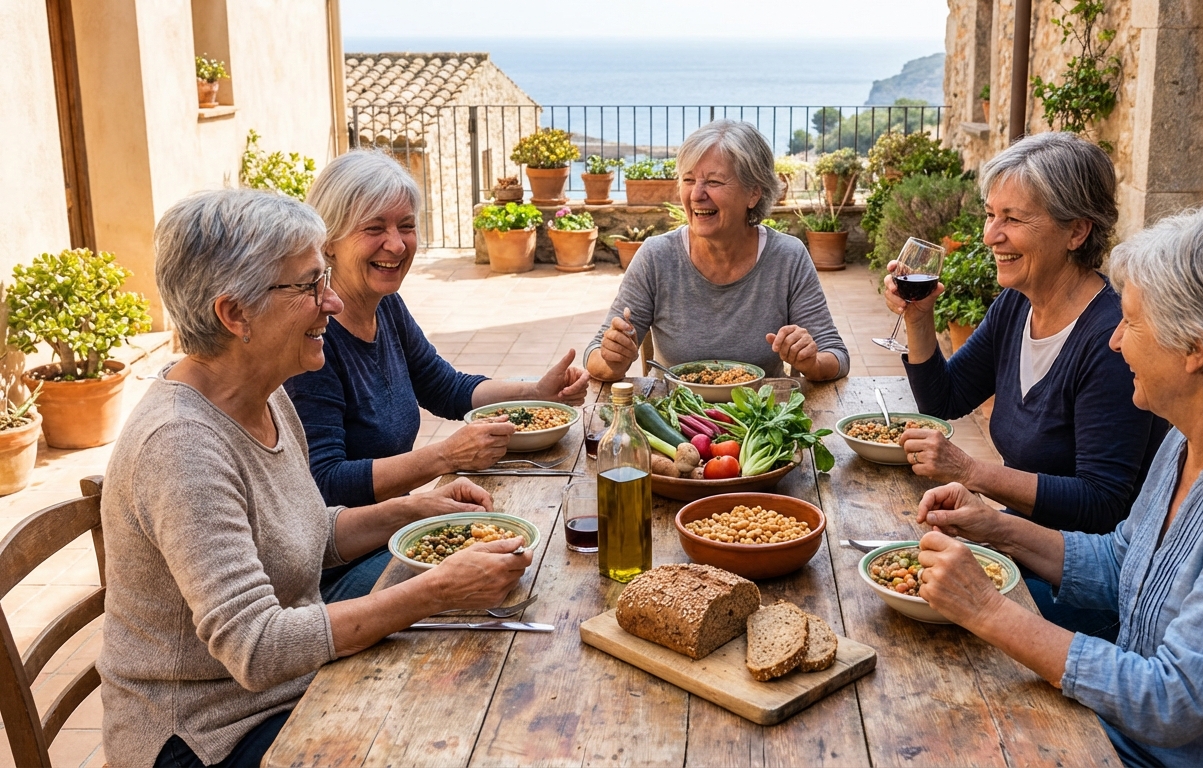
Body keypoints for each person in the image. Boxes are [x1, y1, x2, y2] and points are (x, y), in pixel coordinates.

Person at [913, 204, 1203, 767]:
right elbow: (1122, 561)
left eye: (1130, 322)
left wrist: (986, 609)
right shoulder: (1189, 440)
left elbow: (1171, 701)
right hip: (1132, 735)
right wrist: (995, 526)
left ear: (1196, 349)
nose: (1113, 342)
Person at [98, 190, 533, 768]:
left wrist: (414, 510)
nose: (331, 300)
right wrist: (436, 589)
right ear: (235, 314)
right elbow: (254, 646)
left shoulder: (267, 396)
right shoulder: (180, 446)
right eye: (308, 286)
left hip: (289, 688)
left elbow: (309, 533)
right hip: (210, 734)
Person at [885, 132, 1166, 638]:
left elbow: (1104, 501)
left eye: (1012, 219)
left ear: (1076, 231)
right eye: (991, 215)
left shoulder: (1111, 341)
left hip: (1080, 583)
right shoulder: (1017, 306)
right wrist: (920, 319)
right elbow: (943, 400)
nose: (992, 235)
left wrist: (974, 472)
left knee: (925, 624)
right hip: (1017, 544)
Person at [286, 150, 589, 509]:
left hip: (397, 522)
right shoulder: (313, 338)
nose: (397, 245)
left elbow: (444, 388)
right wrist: (446, 456)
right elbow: (326, 483)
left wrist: (536, 391)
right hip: (350, 552)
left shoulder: (385, 306)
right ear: (328, 242)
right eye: (374, 228)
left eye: (407, 226)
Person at [585, 120, 849, 382]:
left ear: (753, 193)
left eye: (713, 182)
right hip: (675, 417)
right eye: (688, 180)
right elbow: (595, 356)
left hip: (758, 418)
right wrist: (612, 359)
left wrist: (812, 362)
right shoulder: (656, 257)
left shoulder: (787, 257)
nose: (697, 194)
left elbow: (836, 356)